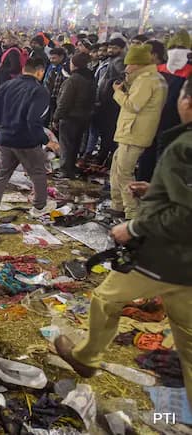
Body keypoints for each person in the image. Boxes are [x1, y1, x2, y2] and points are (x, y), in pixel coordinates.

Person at [54, 78, 192, 407]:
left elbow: (184, 214)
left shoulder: (185, 146)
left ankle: (86, 358)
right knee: (188, 339)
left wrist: (134, 227)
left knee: (105, 299)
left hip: (164, 256)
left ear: (187, 102)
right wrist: (157, 189)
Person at [0, 57, 57, 224]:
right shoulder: (39, 91)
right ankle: (38, 208)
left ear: (24, 69)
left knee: (2, 175)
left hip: (5, 138)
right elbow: (33, 120)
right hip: (26, 141)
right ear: (40, 71)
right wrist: (46, 140)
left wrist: (5, 125)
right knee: (37, 173)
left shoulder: (7, 85)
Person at [108, 44, 168, 220]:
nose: (126, 68)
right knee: (116, 168)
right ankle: (117, 205)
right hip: (133, 132)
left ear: (137, 64)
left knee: (124, 173)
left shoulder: (146, 80)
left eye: (129, 64)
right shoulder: (153, 78)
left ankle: (131, 212)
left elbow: (133, 105)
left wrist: (118, 93)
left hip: (133, 133)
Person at [137, 40, 186, 182]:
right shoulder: (157, 71)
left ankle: (149, 185)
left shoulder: (157, 72)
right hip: (168, 122)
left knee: (155, 154)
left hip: (163, 122)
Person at [53, 53, 94, 179]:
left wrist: (56, 117)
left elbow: (64, 102)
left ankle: (65, 170)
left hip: (70, 117)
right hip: (83, 117)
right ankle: (71, 167)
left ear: (74, 65)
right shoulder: (90, 78)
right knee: (75, 144)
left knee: (66, 144)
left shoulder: (73, 80)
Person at [93, 38, 127, 166]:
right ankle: (104, 155)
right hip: (107, 100)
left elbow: (120, 78)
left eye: (114, 48)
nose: (110, 50)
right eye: (110, 48)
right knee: (106, 131)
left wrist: (113, 88)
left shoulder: (119, 61)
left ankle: (106, 156)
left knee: (109, 130)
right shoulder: (111, 60)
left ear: (122, 49)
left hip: (111, 103)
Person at [44, 48, 69, 128]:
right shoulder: (51, 66)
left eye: (54, 58)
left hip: (57, 98)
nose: (51, 60)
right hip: (48, 96)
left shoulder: (65, 69)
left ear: (61, 57)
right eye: (50, 58)